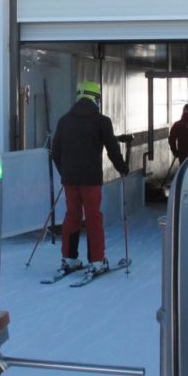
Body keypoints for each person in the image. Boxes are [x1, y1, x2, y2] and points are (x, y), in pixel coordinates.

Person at [51, 80, 129, 274]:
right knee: (93, 217)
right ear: (96, 98)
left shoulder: (64, 121)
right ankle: (96, 260)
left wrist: (65, 173)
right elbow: (112, 149)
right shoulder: (101, 121)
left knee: (72, 215)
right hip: (91, 179)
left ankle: (69, 258)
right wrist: (122, 168)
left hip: (70, 179)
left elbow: (55, 152)